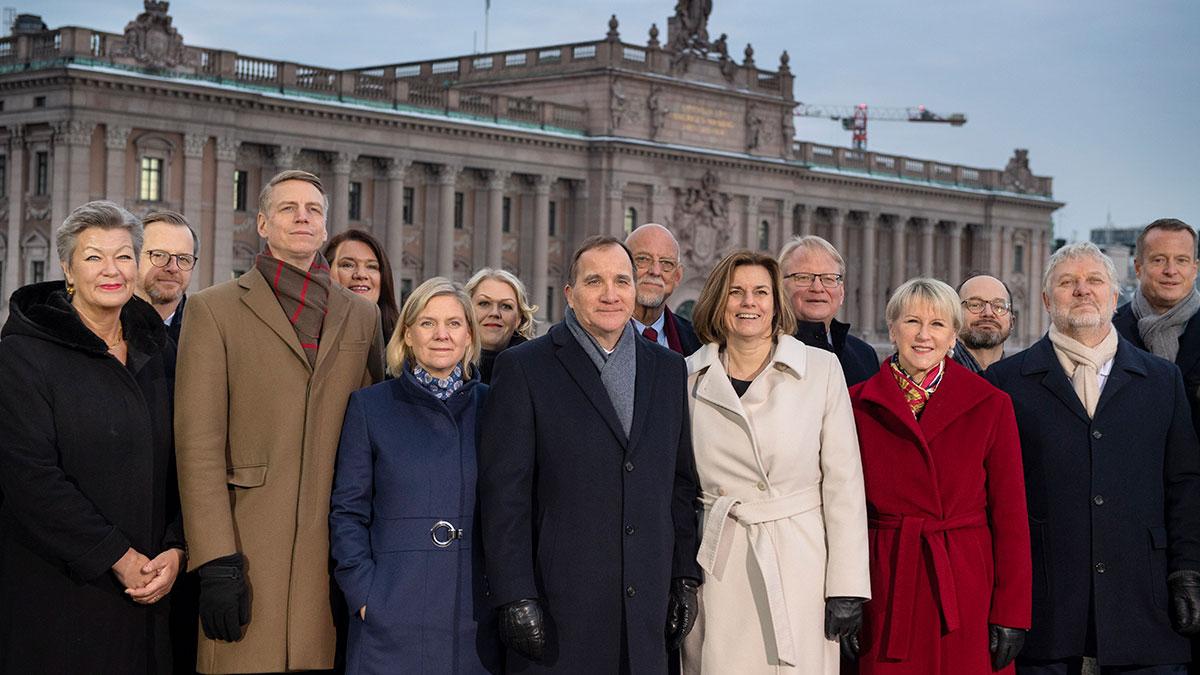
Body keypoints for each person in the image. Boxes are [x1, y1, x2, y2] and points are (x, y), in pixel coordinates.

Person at [175, 170, 384, 673]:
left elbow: (374, 430)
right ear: (262, 223)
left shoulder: (361, 316)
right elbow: (198, 446)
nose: (303, 217)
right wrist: (216, 559)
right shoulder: (213, 310)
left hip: (330, 549)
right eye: (288, 208)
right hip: (247, 544)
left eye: (313, 209)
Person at [478, 235, 702, 673]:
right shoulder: (525, 367)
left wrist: (684, 578)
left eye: (621, 280)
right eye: (594, 281)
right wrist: (514, 594)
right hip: (558, 610)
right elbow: (504, 496)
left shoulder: (669, 368)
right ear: (570, 293)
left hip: (645, 608)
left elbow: (678, 485)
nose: (610, 293)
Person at [986, 242, 1200, 674]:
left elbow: (1184, 483)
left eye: (1094, 281)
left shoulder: (1162, 380)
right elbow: (991, 499)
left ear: (1114, 294)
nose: (1082, 290)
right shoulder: (1006, 382)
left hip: (1145, 606)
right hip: (1045, 613)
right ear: (1047, 300)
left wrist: (1188, 571)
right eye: (1067, 283)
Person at [0, 201, 184, 673]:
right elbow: (29, 477)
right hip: (60, 592)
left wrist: (177, 547)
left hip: (152, 590)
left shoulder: (159, 353)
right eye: (93, 257)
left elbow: (185, 461)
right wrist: (117, 557)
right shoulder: (22, 356)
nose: (111, 271)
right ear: (67, 267)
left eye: (123, 256)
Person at [681, 249, 870, 674]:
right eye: (736, 292)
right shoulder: (687, 376)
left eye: (761, 292)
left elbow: (843, 482)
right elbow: (676, 487)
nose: (749, 302)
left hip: (799, 565)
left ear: (775, 302)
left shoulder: (820, 370)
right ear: (718, 302)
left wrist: (847, 586)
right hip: (717, 563)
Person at [850, 277, 1031, 674]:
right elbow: (841, 510)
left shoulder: (990, 404)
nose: (923, 335)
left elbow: (1011, 517)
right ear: (892, 327)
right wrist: (845, 594)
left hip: (966, 583)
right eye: (912, 321)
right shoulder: (855, 403)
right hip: (885, 583)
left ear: (954, 334)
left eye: (937, 324)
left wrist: (1012, 611)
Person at [330, 277, 502, 674]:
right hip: (392, 610)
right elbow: (348, 511)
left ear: (470, 336)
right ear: (407, 333)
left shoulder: (494, 406)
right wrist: (364, 594)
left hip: (472, 612)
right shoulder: (370, 407)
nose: (441, 334)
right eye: (427, 323)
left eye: (454, 323)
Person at [1113, 219, 1200, 431]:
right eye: (1159, 260)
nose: (1171, 270)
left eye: (1181, 260)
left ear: (1195, 268)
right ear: (1138, 267)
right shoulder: (1108, 333)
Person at [779, 235, 878, 386]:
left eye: (829, 279)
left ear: (842, 293)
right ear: (780, 288)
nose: (817, 288)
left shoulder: (864, 355)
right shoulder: (763, 352)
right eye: (803, 277)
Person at [625, 223, 701, 356]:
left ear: (677, 276)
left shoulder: (697, 343)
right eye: (643, 259)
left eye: (666, 263)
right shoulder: (597, 332)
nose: (655, 271)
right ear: (622, 267)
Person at [324, 228, 401, 340]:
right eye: (348, 265)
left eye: (371, 266)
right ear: (326, 270)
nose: (361, 274)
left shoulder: (405, 345)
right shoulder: (308, 335)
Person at [135, 210, 199, 344]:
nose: (173, 268)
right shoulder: (105, 324)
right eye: (159, 255)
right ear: (134, 258)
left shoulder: (207, 333)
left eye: (183, 259)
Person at [465, 267, 537, 384]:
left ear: (519, 319)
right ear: (466, 311)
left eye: (506, 306)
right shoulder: (443, 364)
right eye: (484, 303)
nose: (494, 313)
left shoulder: (537, 369)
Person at [953, 274, 1015, 373]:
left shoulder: (1026, 383)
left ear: (1012, 322)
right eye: (975, 305)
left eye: (999, 307)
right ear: (955, 318)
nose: (988, 313)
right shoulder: (932, 378)